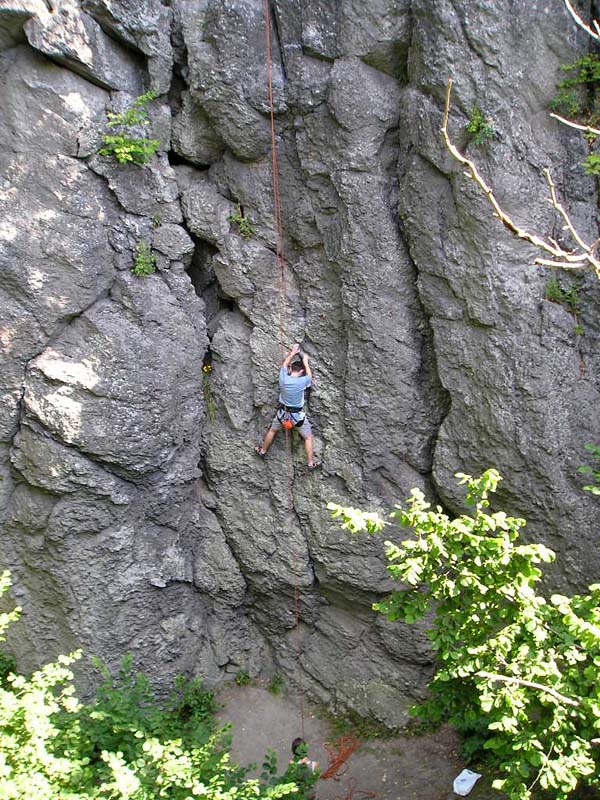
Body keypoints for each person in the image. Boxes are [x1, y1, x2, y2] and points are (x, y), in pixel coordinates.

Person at [255, 343, 319, 469]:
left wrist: (293, 352)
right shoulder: (302, 381)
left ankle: (262, 451)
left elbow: (284, 365)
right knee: (308, 437)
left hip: (282, 414)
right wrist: (306, 362)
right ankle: (310, 463)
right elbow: (310, 377)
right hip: (297, 417)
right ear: (301, 371)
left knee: (272, 430)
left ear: (291, 370)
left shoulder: (283, 378)